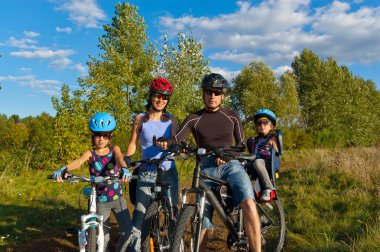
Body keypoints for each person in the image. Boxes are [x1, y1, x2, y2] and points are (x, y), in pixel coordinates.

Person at [156, 73, 261, 252]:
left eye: (217, 92)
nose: (212, 96)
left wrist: (227, 154)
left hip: (231, 165)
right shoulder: (194, 118)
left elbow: (242, 144)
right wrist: (167, 143)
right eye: (209, 92)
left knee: (248, 202)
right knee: (202, 219)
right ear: (203, 94)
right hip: (205, 168)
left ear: (222, 95)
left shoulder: (232, 116)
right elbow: (177, 138)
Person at [52, 112, 132, 252]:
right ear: (93, 136)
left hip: (117, 199)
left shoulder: (114, 150)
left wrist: (124, 168)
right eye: (97, 135)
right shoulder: (90, 153)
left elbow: (120, 159)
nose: (101, 138)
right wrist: (64, 168)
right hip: (100, 201)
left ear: (110, 136)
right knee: (103, 236)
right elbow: (78, 162)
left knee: (127, 231)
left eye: (105, 135)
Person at [125, 77, 179, 251]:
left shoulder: (172, 119)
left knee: (172, 212)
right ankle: (135, 248)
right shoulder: (141, 118)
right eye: (157, 96)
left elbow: (176, 141)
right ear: (150, 97)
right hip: (147, 169)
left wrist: (172, 146)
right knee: (140, 213)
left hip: (168, 169)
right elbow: (133, 142)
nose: (161, 100)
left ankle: (175, 246)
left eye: (165, 97)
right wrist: (127, 158)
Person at [246, 109, 279, 202]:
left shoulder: (273, 138)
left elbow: (277, 153)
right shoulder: (253, 140)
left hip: (268, 163)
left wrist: (273, 140)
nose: (262, 125)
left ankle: (268, 188)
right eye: (259, 123)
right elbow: (250, 153)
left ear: (271, 126)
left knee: (258, 162)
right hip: (255, 163)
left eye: (265, 123)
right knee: (239, 166)